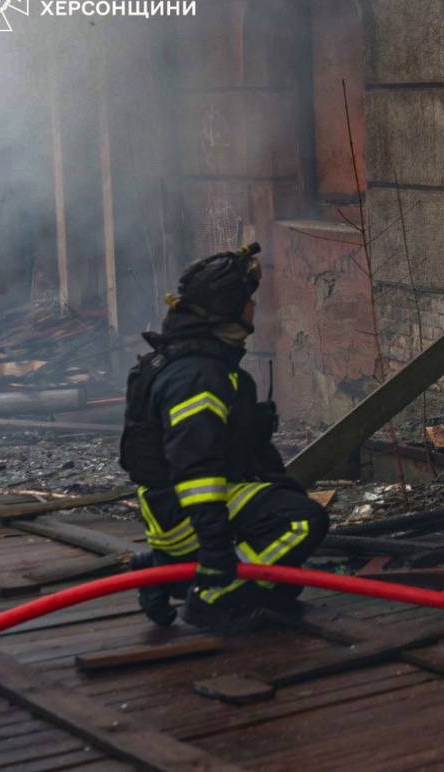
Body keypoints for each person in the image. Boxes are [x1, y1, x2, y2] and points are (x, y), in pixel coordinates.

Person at [119, 242, 330, 632]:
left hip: (173, 510)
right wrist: (216, 552)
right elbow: (196, 471)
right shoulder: (198, 376)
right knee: (301, 523)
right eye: (248, 300)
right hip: (184, 513)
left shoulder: (199, 363)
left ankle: (166, 571)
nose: (254, 307)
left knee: (281, 583)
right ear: (227, 309)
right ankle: (212, 595)